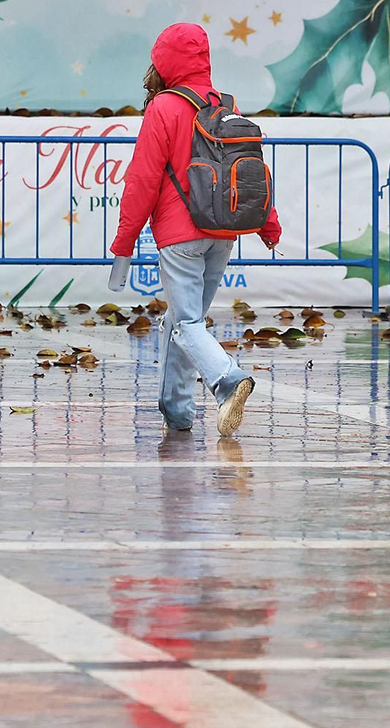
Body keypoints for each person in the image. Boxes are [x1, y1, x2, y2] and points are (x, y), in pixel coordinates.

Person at [111, 22, 281, 437]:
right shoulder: (226, 105)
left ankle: (228, 380)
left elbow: (143, 179)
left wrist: (124, 243)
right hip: (223, 232)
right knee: (183, 323)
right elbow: (253, 171)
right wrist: (268, 224)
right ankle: (178, 411)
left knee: (188, 325)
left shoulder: (163, 108)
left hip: (179, 233)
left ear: (164, 61)